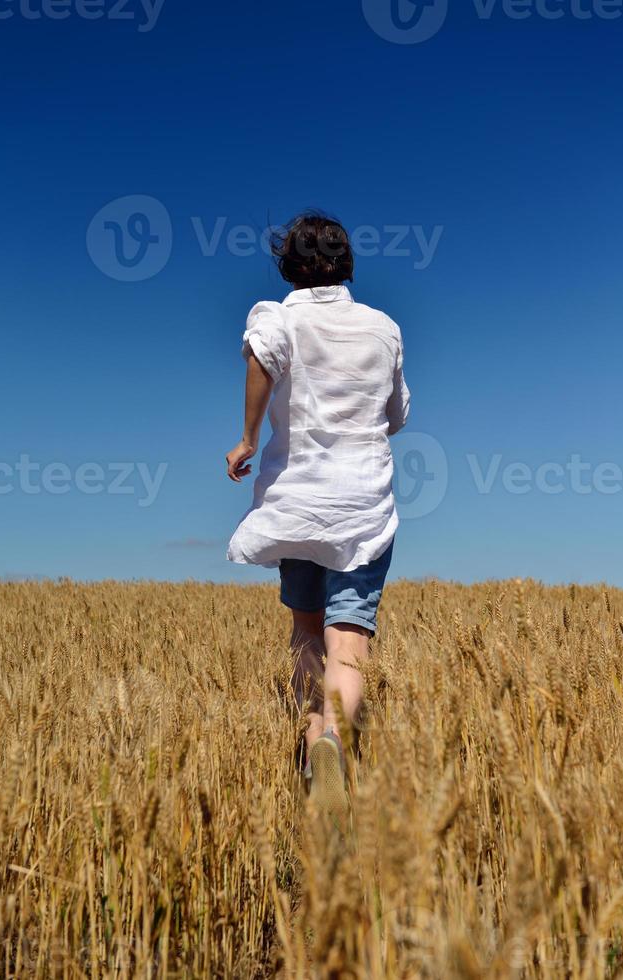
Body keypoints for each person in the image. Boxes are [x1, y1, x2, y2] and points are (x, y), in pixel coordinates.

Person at [225, 212, 410, 825]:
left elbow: (261, 356)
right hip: (362, 508)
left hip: (299, 505)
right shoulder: (383, 329)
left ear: (289, 266)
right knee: (348, 640)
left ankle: (311, 764)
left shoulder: (278, 317)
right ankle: (335, 742)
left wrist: (248, 436)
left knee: (305, 634)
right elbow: (396, 413)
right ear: (346, 263)